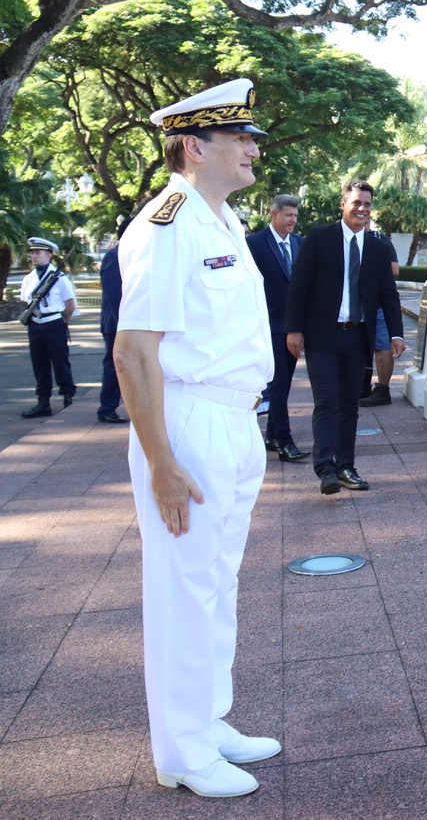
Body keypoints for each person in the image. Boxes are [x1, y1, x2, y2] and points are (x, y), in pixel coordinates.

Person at [113, 78, 280, 799]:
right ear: (193, 145)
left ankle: (208, 720)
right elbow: (133, 351)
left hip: (235, 418)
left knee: (217, 580)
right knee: (184, 586)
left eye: (253, 136)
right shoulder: (169, 220)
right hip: (187, 421)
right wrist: (161, 462)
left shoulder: (220, 222)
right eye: (238, 135)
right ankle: (180, 750)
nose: (252, 147)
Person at [285, 179, 405, 494]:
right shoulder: (320, 238)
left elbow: (388, 294)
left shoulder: (378, 247)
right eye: (356, 203)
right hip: (323, 336)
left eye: (367, 204)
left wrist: (396, 333)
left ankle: (346, 466)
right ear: (343, 204)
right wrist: (294, 329)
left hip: (357, 338)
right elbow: (299, 285)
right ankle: (326, 469)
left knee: (349, 405)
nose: (362, 209)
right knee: (326, 402)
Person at [246, 194, 309, 461]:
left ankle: (273, 435)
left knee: (283, 383)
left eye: (295, 215)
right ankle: (284, 440)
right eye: (288, 215)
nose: (293, 220)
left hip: (294, 326)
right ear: (273, 214)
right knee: (278, 382)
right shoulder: (253, 244)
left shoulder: (300, 243)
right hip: (266, 326)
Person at [19, 236, 77, 418]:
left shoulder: (59, 278)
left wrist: (61, 321)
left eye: (38, 253)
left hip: (54, 323)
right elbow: (26, 302)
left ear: (49, 255)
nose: (34, 256)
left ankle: (68, 397)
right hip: (35, 324)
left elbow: (70, 305)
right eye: (32, 253)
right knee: (39, 363)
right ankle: (43, 402)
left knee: (60, 362)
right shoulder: (28, 278)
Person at [359, 258, 401, 407]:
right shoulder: (381, 242)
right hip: (370, 303)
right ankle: (374, 389)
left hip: (375, 305)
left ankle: (381, 390)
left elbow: (394, 270)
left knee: (382, 347)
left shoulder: (380, 243)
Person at [97, 223, 128, 424]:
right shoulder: (115, 255)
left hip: (125, 323)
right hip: (116, 323)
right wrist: (123, 326)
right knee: (114, 366)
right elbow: (113, 294)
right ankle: (107, 408)